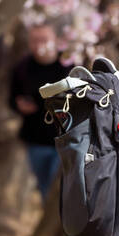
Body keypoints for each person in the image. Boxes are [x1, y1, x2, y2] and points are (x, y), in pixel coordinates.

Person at [7, 24, 71, 199]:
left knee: (62, 188)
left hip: (66, 139)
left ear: (56, 41)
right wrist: (19, 105)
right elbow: (12, 98)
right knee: (46, 189)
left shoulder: (68, 66)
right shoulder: (22, 67)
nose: (39, 45)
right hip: (36, 140)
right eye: (34, 40)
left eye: (44, 40)